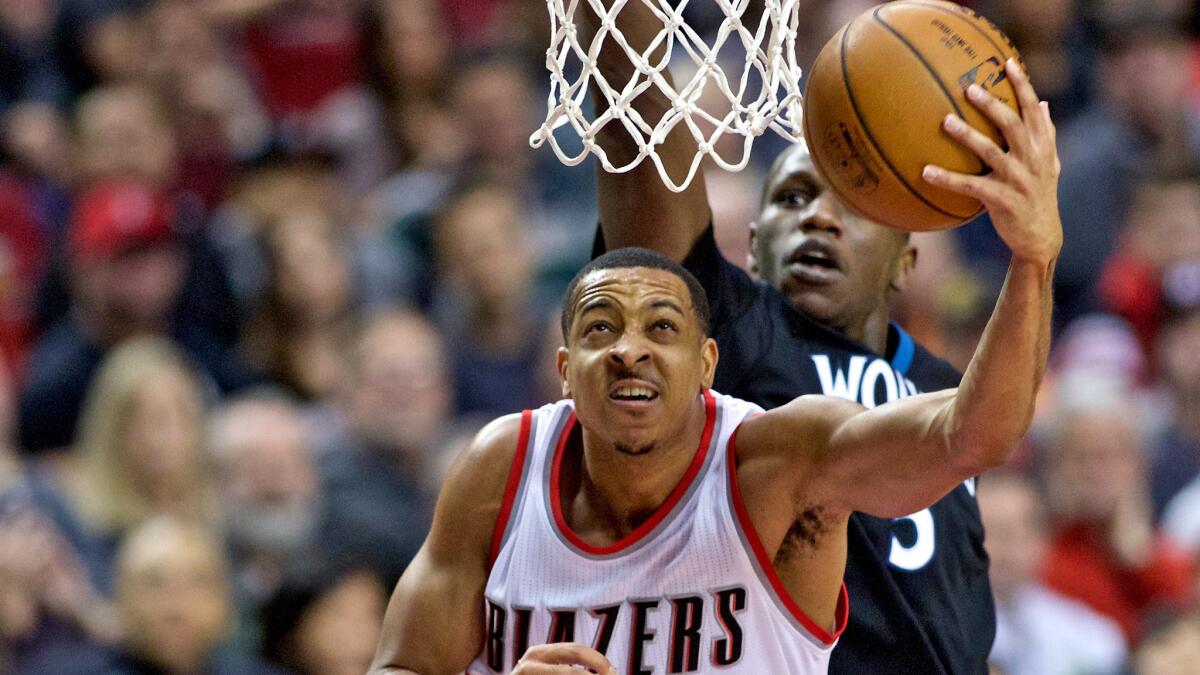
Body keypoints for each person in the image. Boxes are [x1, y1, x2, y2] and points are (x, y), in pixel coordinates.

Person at [371, 174, 1057, 673]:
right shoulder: (501, 466)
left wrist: (1032, 260)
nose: (628, 348)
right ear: (564, 368)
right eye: (601, 327)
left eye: (660, 328)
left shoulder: (780, 462)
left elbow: (973, 435)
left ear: (707, 364)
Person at [582, 4, 1050, 672]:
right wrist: (621, 21)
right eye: (794, 198)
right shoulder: (730, 330)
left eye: (854, 205)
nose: (820, 220)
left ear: (908, 259)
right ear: (751, 246)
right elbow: (647, 149)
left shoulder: (946, 384)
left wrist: (1036, 254)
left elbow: (999, 423)